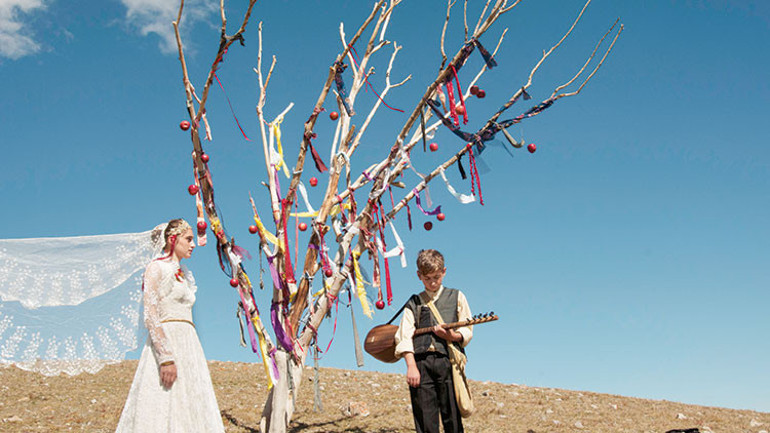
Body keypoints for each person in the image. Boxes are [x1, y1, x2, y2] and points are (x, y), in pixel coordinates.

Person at [115, 219, 225, 433]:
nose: (193, 244)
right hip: (168, 341)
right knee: (164, 403)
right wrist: (165, 358)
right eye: (188, 239)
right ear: (172, 239)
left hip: (189, 345)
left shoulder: (184, 274)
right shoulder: (156, 268)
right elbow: (151, 314)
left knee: (190, 403)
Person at [394, 249, 473, 433]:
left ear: (444, 272)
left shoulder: (457, 296)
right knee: (425, 419)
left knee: (452, 417)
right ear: (419, 276)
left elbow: (467, 330)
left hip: (448, 361)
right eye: (427, 278)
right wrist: (411, 366)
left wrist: (451, 336)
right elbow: (404, 336)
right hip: (421, 364)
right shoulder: (413, 302)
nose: (432, 282)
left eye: (436, 277)